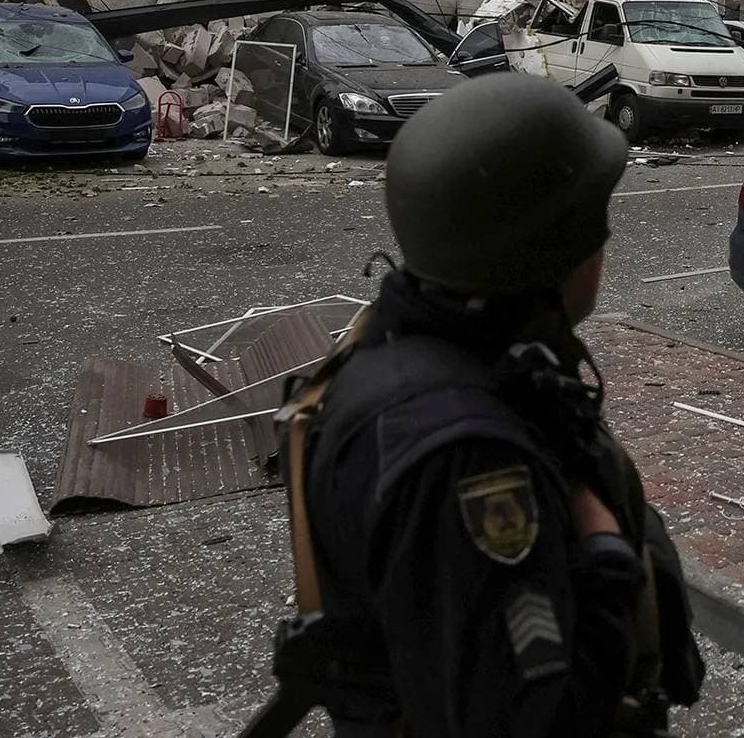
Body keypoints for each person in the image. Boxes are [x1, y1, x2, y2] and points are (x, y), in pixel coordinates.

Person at [255, 73, 704, 738]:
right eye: (593, 224)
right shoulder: (465, 458)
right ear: (547, 254)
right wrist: (604, 544)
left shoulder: (412, 342)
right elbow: (532, 720)